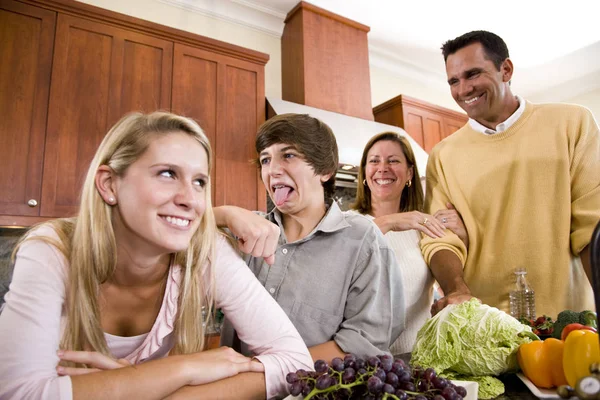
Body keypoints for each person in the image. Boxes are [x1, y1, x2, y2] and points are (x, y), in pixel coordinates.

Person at [0, 112, 312, 400]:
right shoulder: (53, 249)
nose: (190, 199)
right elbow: (20, 393)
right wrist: (184, 369)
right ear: (109, 184)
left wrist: (136, 386)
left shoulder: (206, 252)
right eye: (166, 173)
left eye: (199, 182)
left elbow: (296, 364)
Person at [422, 30, 600, 318]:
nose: (463, 89)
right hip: (487, 330)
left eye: (473, 74)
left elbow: (592, 227)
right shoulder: (444, 155)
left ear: (506, 70)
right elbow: (439, 238)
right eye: (454, 81)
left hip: (567, 325)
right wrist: (456, 289)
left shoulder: (572, 124)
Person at [215, 113, 406, 362]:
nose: (272, 170)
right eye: (265, 159)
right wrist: (223, 213)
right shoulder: (247, 231)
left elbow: (364, 341)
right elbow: (173, 241)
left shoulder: (362, 240)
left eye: (289, 155)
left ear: (325, 170)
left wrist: (264, 371)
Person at [351, 131, 468, 354]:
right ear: (365, 173)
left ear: (409, 173)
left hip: (417, 358)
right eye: (374, 161)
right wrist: (389, 222)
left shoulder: (424, 225)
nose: (382, 168)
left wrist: (462, 237)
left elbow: (453, 291)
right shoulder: (347, 223)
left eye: (393, 160)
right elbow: (340, 267)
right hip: (359, 359)